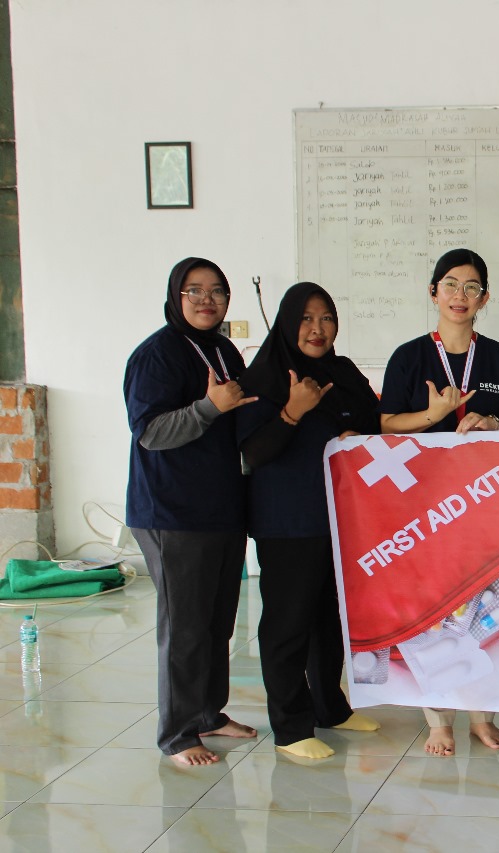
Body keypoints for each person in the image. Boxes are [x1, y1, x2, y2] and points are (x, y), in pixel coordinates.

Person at [380, 248, 499, 757]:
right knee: (432, 612)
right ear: (433, 292)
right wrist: (433, 415)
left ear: (484, 298)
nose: (460, 296)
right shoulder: (408, 358)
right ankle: (438, 721)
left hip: (485, 501)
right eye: (450, 284)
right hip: (425, 504)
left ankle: (482, 717)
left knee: (485, 605)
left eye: (471, 287)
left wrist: (493, 423)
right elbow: (387, 424)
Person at [238, 283, 383, 759]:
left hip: (341, 518)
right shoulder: (264, 377)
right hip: (288, 520)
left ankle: (330, 708)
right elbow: (253, 452)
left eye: (326, 317)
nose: (317, 329)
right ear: (286, 322)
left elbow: (373, 420)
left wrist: (356, 431)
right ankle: (290, 727)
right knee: (288, 624)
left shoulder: (341, 371)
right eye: (305, 318)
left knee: (328, 620)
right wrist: (292, 412)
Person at [124, 257, 259, 766]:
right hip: (172, 511)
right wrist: (210, 407)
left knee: (217, 622)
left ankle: (207, 714)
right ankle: (178, 735)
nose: (207, 300)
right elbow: (150, 432)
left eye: (217, 291)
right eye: (194, 290)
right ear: (175, 296)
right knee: (184, 627)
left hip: (220, 508)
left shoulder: (223, 351)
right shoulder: (156, 355)